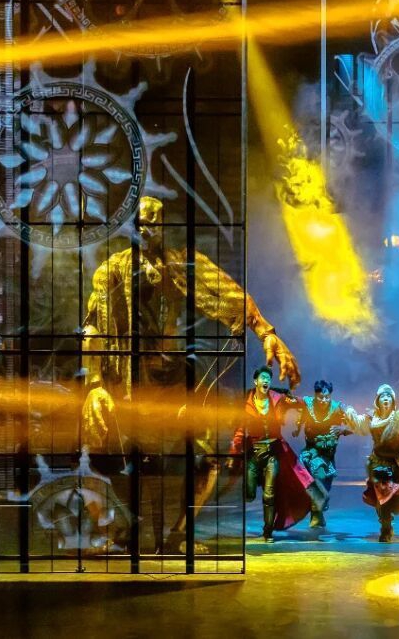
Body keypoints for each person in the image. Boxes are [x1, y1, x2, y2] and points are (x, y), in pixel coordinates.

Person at [81, 196, 301, 555]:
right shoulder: (111, 272)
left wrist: (266, 333)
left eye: (153, 223)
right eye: (140, 224)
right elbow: (91, 330)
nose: (146, 231)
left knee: (207, 447)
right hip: (123, 380)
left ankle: (179, 533)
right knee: (92, 443)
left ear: (163, 226)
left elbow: (231, 296)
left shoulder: (181, 266)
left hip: (169, 378)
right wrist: (94, 385)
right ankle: (113, 531)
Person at [229, 366, 323, 542]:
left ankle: (268, 532)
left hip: (273, 453)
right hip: (254, 453)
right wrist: (234, 452)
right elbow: (240, 430)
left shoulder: (277, 399)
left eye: (268, 378)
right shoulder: (246, 403)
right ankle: (254, 497)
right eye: (262, 377)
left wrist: (302, 399)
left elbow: (300, 403)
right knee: (249, 494)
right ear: (255, 381)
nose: (266, 380)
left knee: (269, 494)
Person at [344, 384, 399, 542]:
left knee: (395, 501)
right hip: (378, 465)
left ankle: (387, 521)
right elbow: (359, 425)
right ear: (377, 400)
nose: (386, 398)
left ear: (393, 401)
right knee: (381, 497)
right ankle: (385, 527)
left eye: (389, 396)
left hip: (397, 466)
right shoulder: (372, 418)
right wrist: (348, 411)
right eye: (383, 396)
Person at [294, 379, 350, 529]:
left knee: (325, 484)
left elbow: (354, 424)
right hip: (312, 453)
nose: (324, 400)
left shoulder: (337, 407)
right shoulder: (308, 404)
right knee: (318, 482)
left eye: (327, 397)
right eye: (321, 397)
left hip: (328, 455)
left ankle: (318, 515)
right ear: (315, 395)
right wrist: (297, 429)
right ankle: (317, 512)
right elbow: (298, 411)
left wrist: (343, 429)